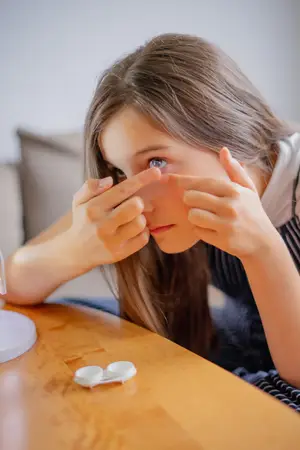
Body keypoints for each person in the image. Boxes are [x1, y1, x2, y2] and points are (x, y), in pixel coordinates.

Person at [3, 33, 300, 409]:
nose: (137, 198)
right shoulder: (137, 197)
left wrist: (264, 249)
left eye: (156, 162)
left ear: (227, 133)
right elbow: (11, 285)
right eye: (122, 172)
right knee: (76, 322)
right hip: (242, 337)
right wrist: (73, 249)